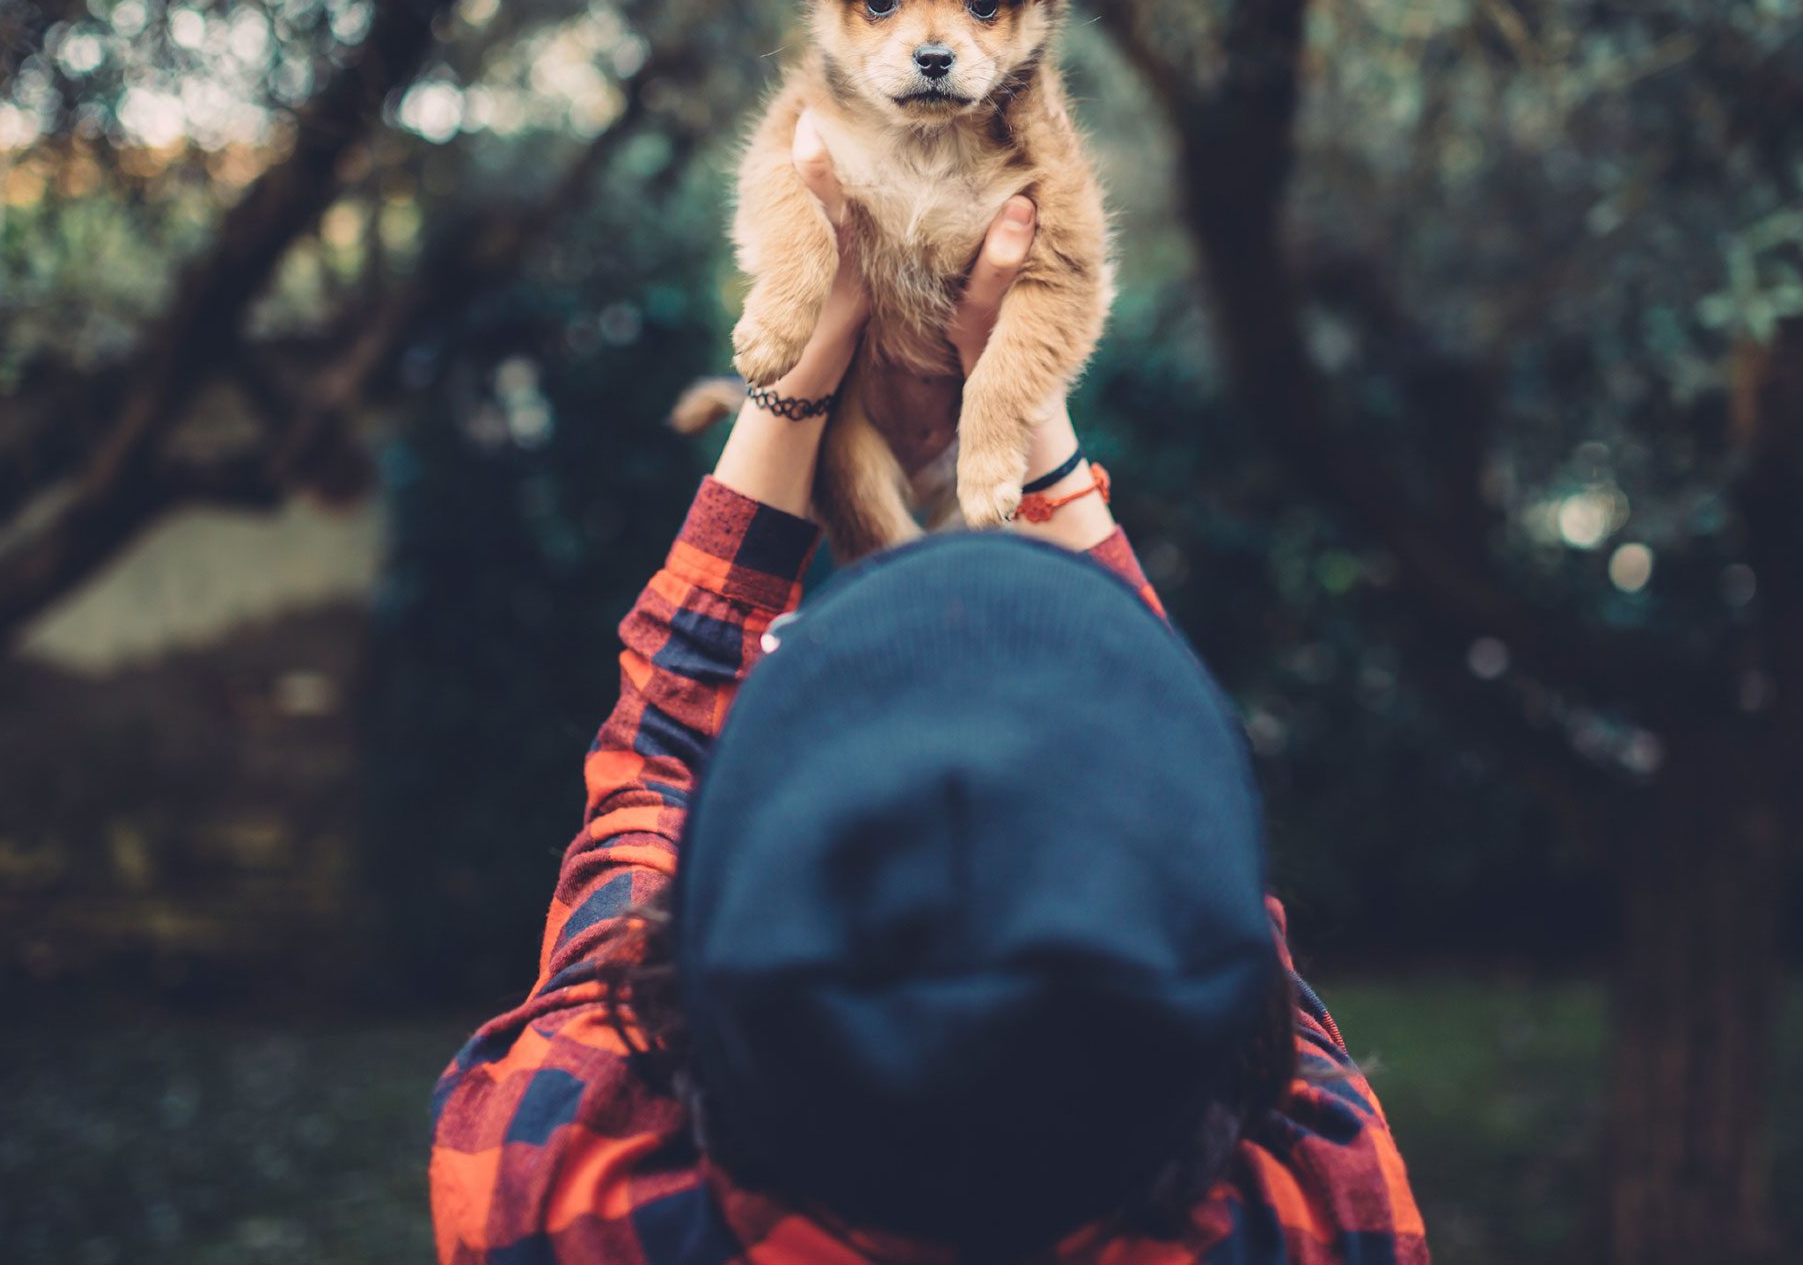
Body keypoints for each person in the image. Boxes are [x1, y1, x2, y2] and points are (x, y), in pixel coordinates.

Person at [428, 118, 1428, 1263]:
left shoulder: (566, 1190)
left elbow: (653, 752)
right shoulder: (1313, 1209)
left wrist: (805, 364)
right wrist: (1022, 400)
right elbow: (1201, 844)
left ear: (704, 954)